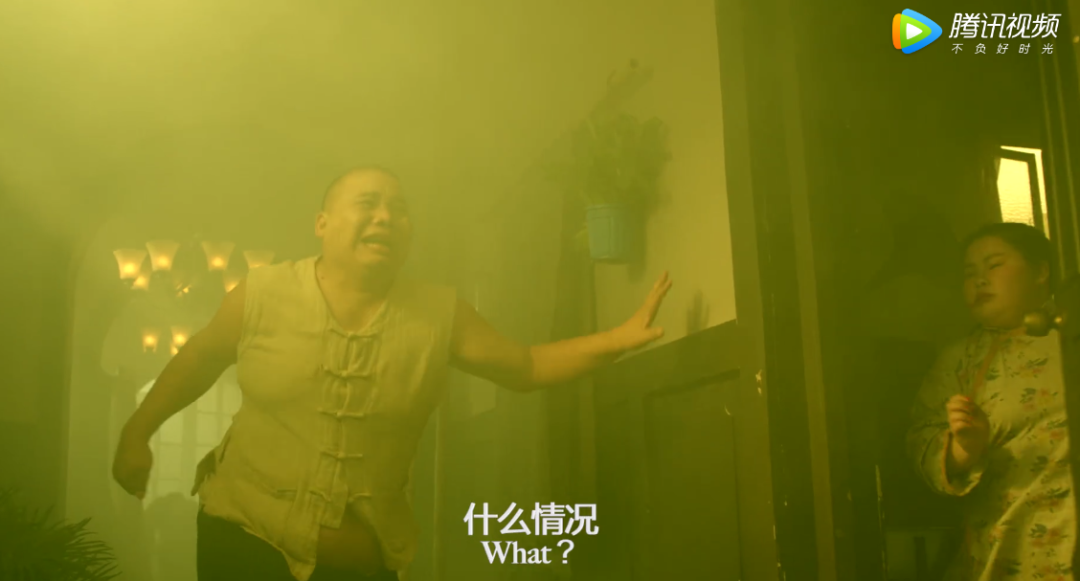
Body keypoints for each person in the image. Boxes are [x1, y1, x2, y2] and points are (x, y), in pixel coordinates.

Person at [112, 166, 672, 581]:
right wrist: (137, 432)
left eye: (399, 209)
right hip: (243, 538)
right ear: (322, 224)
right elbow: (198, 360)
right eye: (368, 203)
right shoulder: (260, 293)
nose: (385, 216)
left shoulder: (440, 314)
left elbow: (525, 366)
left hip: (363, 560)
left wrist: (618, 338)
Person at [907, 222, 1071, 580]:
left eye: (994, 265)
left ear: (1040, 272)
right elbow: (922, 442)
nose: (979, 280)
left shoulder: (1069, 334)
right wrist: (963, 450)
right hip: (1007, 549)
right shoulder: (961, 359)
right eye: (970, 273)